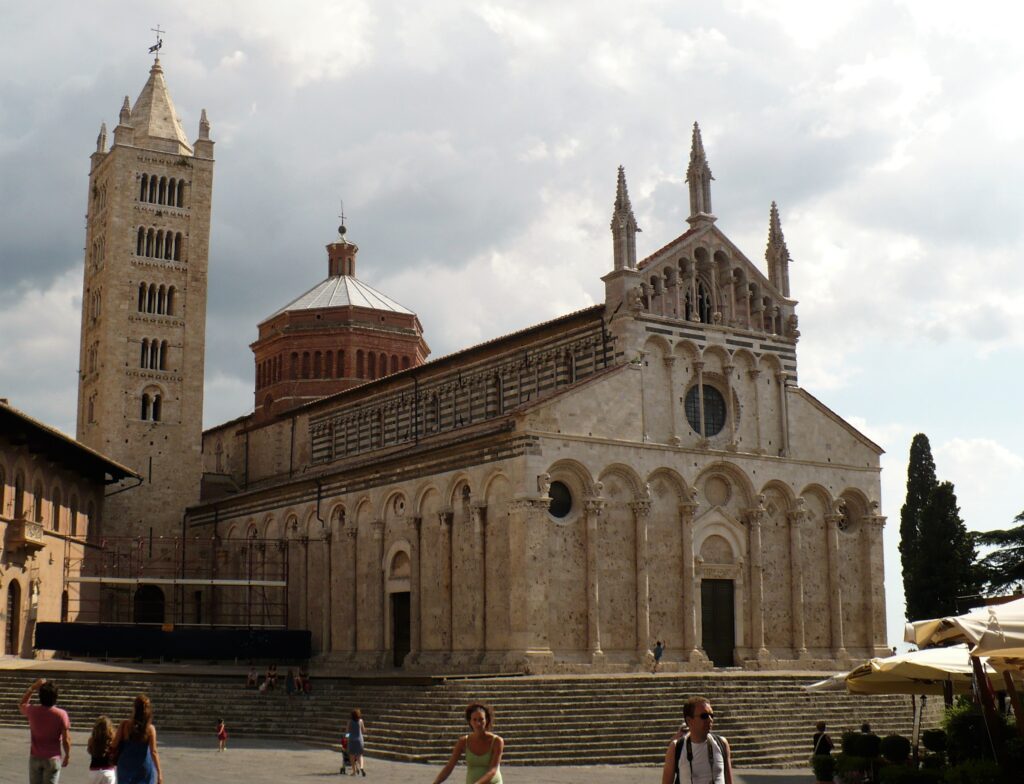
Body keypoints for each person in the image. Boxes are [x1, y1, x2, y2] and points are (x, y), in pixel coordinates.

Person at [661, 695, 733, 784]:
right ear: (689, 720)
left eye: (711, 715)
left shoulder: (722, 743)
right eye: (704, 716)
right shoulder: (676, 748)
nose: (710, 719)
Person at [432, 703, 504, 784]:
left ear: (486, 720)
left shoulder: (497, 741)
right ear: (470, 721)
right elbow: (449, 766)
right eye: (475, 720)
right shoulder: (463, 741)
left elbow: (493, 770)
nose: (478, 723)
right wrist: (435, 782)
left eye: (481, 719)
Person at [19, 677, 71, 784]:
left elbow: (21, 704)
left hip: (35, 757)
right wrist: (67, 755)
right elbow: (66, 739)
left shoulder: (33, 711)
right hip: (53, 758)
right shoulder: (61, 714)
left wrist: (32, 688)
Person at [113, 694, 163, 784]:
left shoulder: (125, 725)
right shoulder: (150, 729)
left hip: (125, 765)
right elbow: (154, 752)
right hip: (143, 767)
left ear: (134, 708)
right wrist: (159, 773)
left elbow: (114, 744)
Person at [87, 716, 117, 784]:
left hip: (95, 770)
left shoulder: (92, 740)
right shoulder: (112, 740)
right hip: (108, 770)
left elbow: (89, 751)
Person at [348, 708, 366, 776]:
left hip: (352, 740)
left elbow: (347, 731)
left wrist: (346, 737)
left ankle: (354, 771)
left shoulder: (350, 721)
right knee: (360, 755)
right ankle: (361, 767)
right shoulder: (361, 721)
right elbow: (363, 730)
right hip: (360, 740)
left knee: (352, 756)